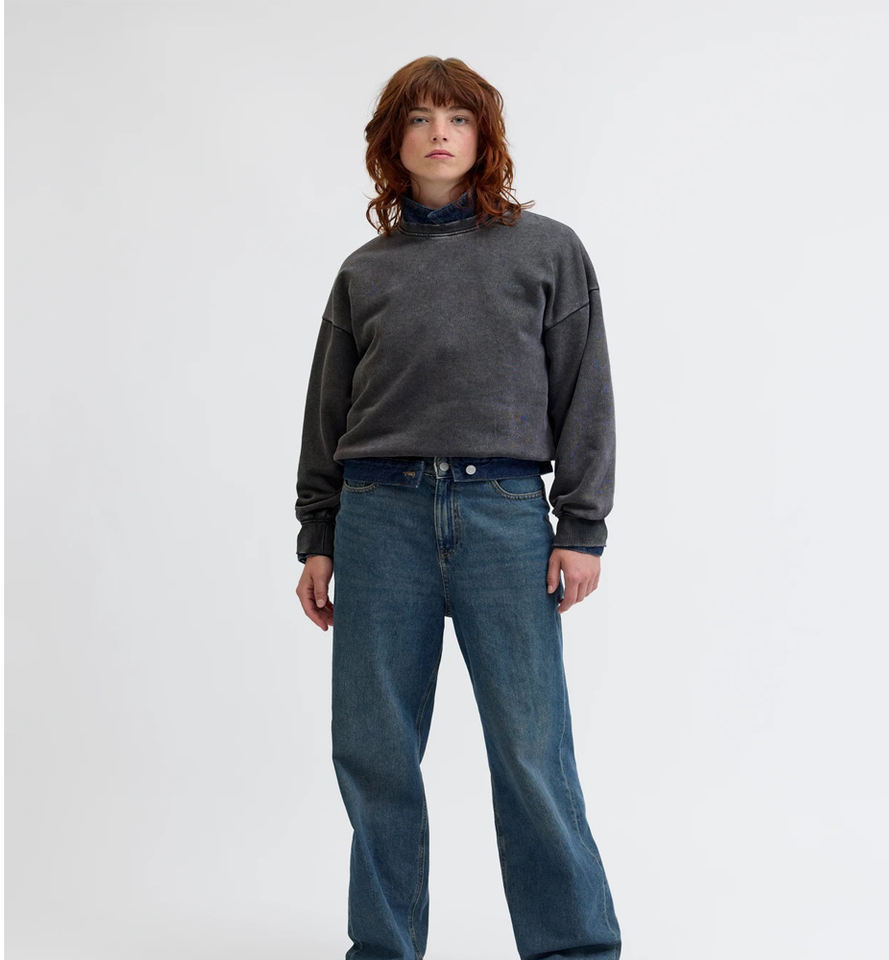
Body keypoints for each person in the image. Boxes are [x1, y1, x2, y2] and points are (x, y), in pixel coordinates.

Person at [294, 55, 621, 960]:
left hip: (503, 515)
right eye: (419, 118)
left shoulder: (547, 251)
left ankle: (574, 949)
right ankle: (385, 950)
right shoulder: (364, 272)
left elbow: (586, 395)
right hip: (378, 517)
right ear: (392, 142)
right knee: (375, 751)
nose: (439, 133)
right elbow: (327, 412)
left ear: (485, 137)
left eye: (458, 118)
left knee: (531, 750)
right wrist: (318, 534)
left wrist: (581, 526)